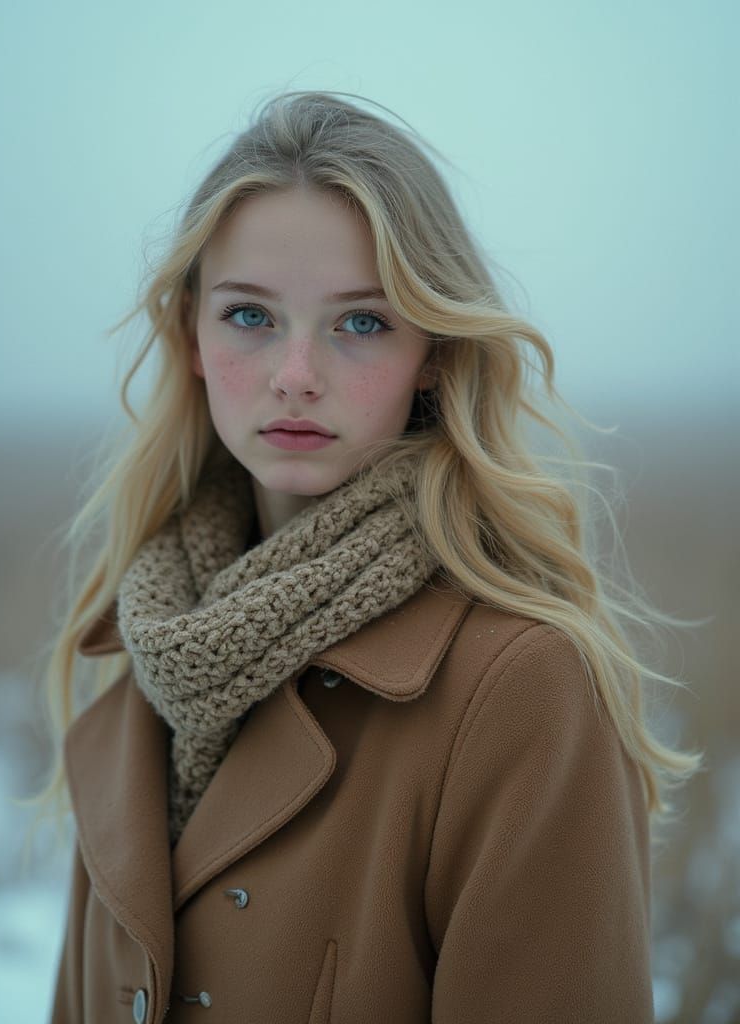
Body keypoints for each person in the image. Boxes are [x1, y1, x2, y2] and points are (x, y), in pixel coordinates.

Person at [36, 90, 701, 1023]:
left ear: (433, 349)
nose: (295, 373)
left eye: (360, 322)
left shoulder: (522, 688)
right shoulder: (145, 653)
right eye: (248, 315)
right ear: (191, 331)